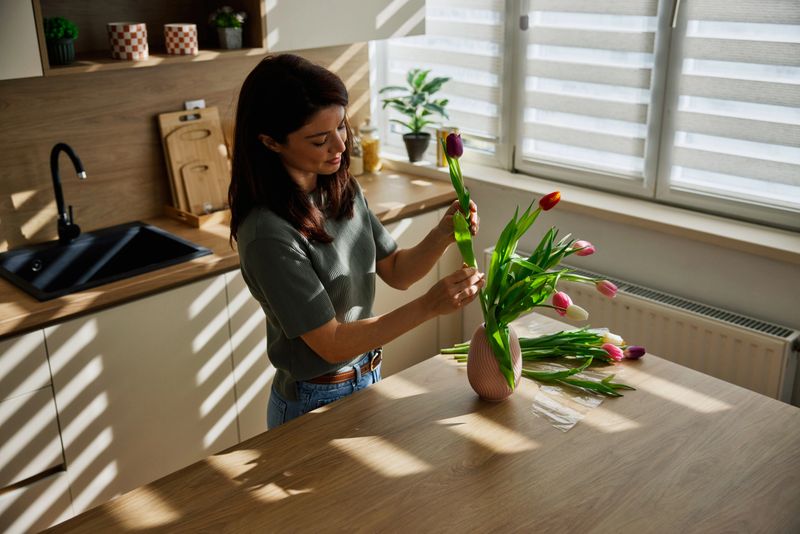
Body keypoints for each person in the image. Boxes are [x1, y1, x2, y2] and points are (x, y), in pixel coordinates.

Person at [228, 54, 484, 429]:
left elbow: (397, 271)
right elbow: (331, 343)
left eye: (341, 127)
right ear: (270, 142)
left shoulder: (341, 188)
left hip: (368, 376)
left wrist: (443, 233)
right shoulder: (269, 234)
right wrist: (431, 306)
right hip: (314, 402)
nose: (340, 146)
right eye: (319, 140)